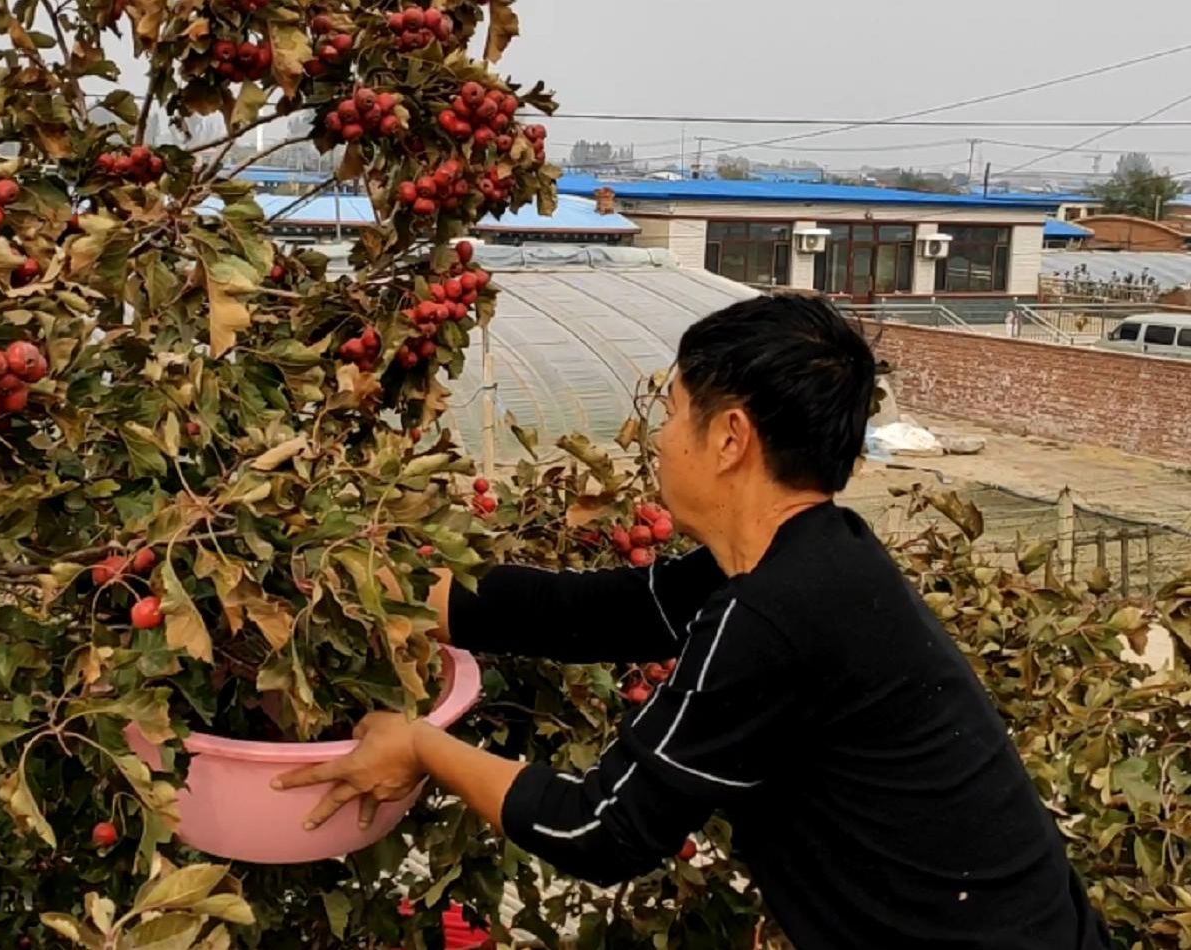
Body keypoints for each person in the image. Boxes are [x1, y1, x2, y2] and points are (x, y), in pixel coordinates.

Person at [275, 294, 1109, 949]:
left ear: (730, 438)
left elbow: (601, 828)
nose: (660, 436)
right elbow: (590, 612)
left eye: (674, 412)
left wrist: (421, 745)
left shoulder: (773, 613)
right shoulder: (812, 556)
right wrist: (398, 589)